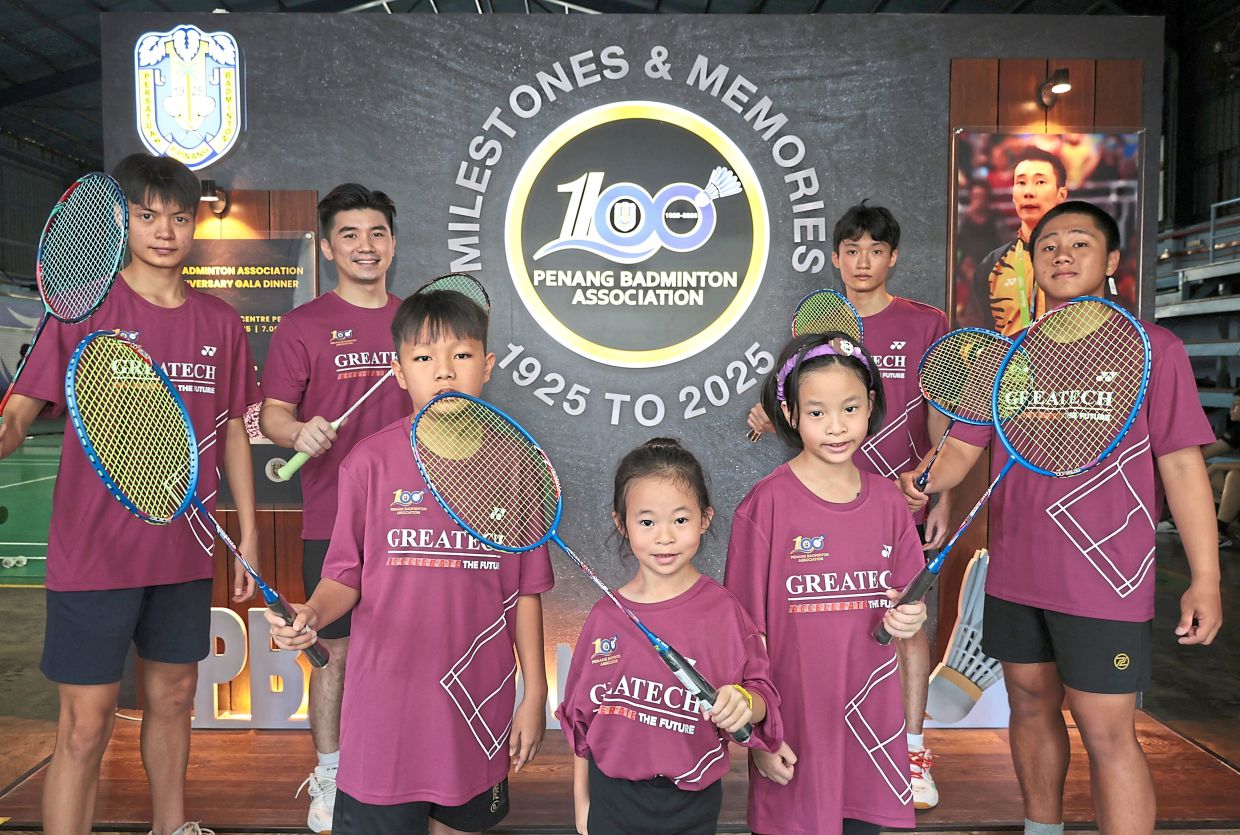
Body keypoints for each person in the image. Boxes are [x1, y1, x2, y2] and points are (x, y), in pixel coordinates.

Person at [900, 201, 1224, 834]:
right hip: (1016, 573)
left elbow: (1182, 468)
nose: (1063, 255)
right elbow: (961, 453)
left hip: (1107, 580)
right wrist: (915, 484)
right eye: (1048, 245)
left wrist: (1205, 577)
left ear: (1110, 262)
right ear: (1031, 261)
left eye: (1080, 243)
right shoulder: (1004, 356)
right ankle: (1040, 829)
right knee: (1029, 707)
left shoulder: (1155, 351)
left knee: (1108, 731)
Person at [0, 153, 260, 835]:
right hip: (93, 555)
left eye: (179, 216)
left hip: (183, 551)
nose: (165, 230)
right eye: (147, 215)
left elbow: (232, 432)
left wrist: (250, 535)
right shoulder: (84, 309)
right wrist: (6, 427)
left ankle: (171, 827)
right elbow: (22, 410)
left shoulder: (221, 324)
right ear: (122, 222)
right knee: (84, 724)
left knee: (175, 697)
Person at [267, 290, 552, 834]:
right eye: (423, 359)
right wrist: (310, 614)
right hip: (384, 707)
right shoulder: (369, 462)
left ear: (487, 366)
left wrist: (534, 693)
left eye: (461, 356)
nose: (443, 372)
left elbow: (527, 592)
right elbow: (343, 578)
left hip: (476, 704)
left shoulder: (519, 465)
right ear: (398, 372)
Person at [747, 202, 949, 808]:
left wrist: (939, 488)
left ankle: (909, 748)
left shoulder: (926, 324)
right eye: (851, 250)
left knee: (904, 627)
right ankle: (828, 750)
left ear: (894, 257)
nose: (863, 262)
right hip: (824, 511)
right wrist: (767, 413)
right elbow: (794, 390)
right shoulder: (814, 322)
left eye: (876, 250)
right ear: (835, 257)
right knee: (825, 630)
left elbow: (944, 413)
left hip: (897, 506)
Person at [727, 331, 930, 835]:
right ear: (790, 415)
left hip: (870, 738)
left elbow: (905, 613)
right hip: (794, 742)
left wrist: (909, 616)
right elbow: (742, 643)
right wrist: (761, 741)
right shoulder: (765, 506)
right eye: (816, 412)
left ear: (871, 407)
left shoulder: (889, 503)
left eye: (850, 408)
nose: (836, 427)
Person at [258, 183, 409, 831]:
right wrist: (299, 433)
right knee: (334, 655)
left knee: (411, 650)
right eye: (349, 234)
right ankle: (330, 774)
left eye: (376, 233)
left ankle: (404, 768)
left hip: (409, 524)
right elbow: (272, 414)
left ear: (392, 243)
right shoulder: (304, 325)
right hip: (332, 521)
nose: (365, 246)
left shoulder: (415, 323)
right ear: (327, 247)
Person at [558, 438, 784, 835]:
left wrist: (745, 702)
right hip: (613, 798)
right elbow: (580, 723)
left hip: (693, 799)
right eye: (647, 521)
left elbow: (763, 696)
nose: (664, 536)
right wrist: (583, 804)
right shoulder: (605, 617)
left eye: (680, 519)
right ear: (621, 524)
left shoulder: (725, 612)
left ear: (705, 519)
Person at [964, 147, 1069, 336]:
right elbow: (973, 335)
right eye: (1021, 182)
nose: (1028, 191)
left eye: (1040, 182)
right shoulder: (992, 265)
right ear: (1013, 195)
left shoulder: (1085, 263)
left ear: (1061, 195)